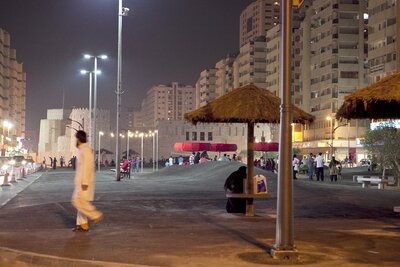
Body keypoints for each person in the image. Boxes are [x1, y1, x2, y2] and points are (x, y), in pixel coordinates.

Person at [71, 130, 103, 232]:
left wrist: (85, 182)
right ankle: (82, 224)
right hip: (79, 183)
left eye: (76, 138)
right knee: (80, 202)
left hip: (84, 183)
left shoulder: (86, 150)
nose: (75, 140)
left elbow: (88, 167)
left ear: (79, 138)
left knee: (77, 201)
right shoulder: (81, 150)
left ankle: (95, 215)